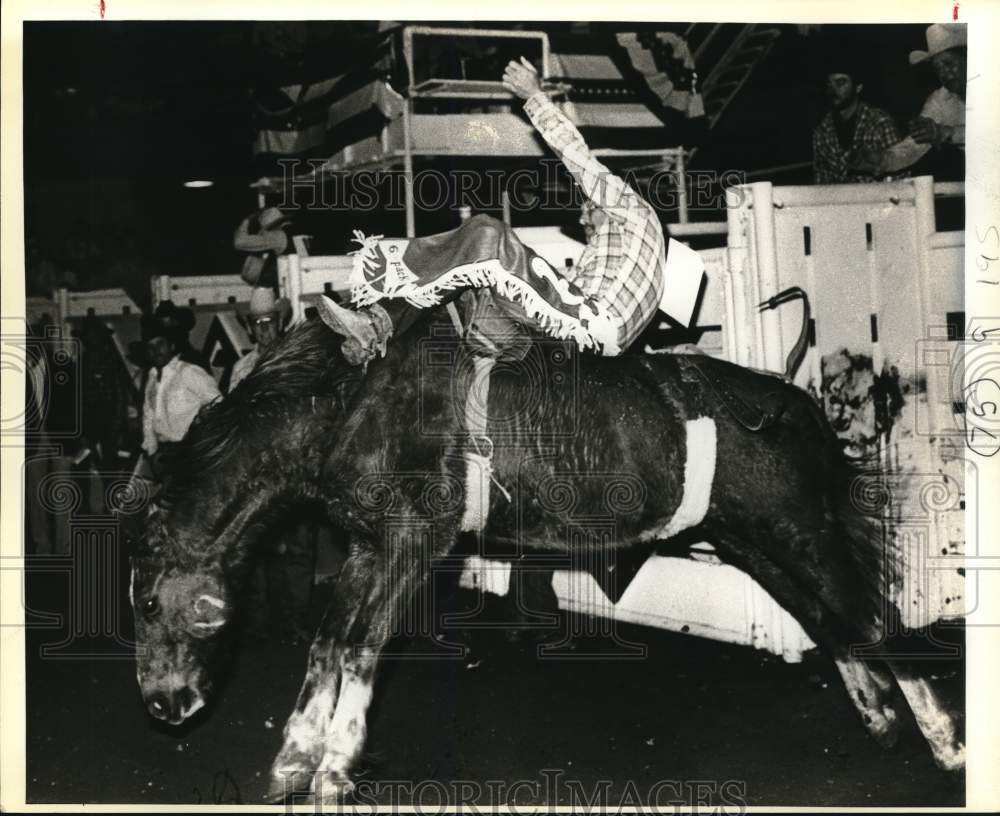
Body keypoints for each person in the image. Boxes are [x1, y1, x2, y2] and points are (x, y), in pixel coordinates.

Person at [315, 57, 670, 365]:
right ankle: (374, 329)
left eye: (588, 207)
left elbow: (579, 159)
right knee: (467, 277)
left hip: (593, 324)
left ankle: (376, 319)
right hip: (592, 332)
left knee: (487, 232)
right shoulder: (624, 249)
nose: (581, 217)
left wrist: (534, 96)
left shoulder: (631, 208)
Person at [872, 24, 966, 180]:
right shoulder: (939, 99)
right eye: (937, 68)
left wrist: (946, 133)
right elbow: (915, 144)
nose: (944, 73)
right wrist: (883, 160)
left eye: (948, 64)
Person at [140, 309, 221, 479]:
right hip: (165, 459)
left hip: (193, 455)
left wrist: (203, 431)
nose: (156, 350)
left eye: (160, 344)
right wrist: (152, 455)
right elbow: (148, 420)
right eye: (151, 347)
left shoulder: (188, 372)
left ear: (172, 346)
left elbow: (219, 403)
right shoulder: (151, 380)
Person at [812, 57, 901, 184]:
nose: (832, 90)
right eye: (829, 84)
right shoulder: (821, 131)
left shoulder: (879, 122)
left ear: (858, 87)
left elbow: (900, 175)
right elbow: (821, 185)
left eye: (841, 83)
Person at [229, 286, 291, 391]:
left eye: (269, 320)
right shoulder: (241, 369)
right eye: (257, 322)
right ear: (249, 328)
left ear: (279, 324)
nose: (264, 328)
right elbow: (234, 406)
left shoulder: (293, 359)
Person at [234, 206, 291, 290]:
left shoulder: (276, 236)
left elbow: (239, 242)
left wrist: (246, 221)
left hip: (287, 281)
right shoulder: (289, 231)